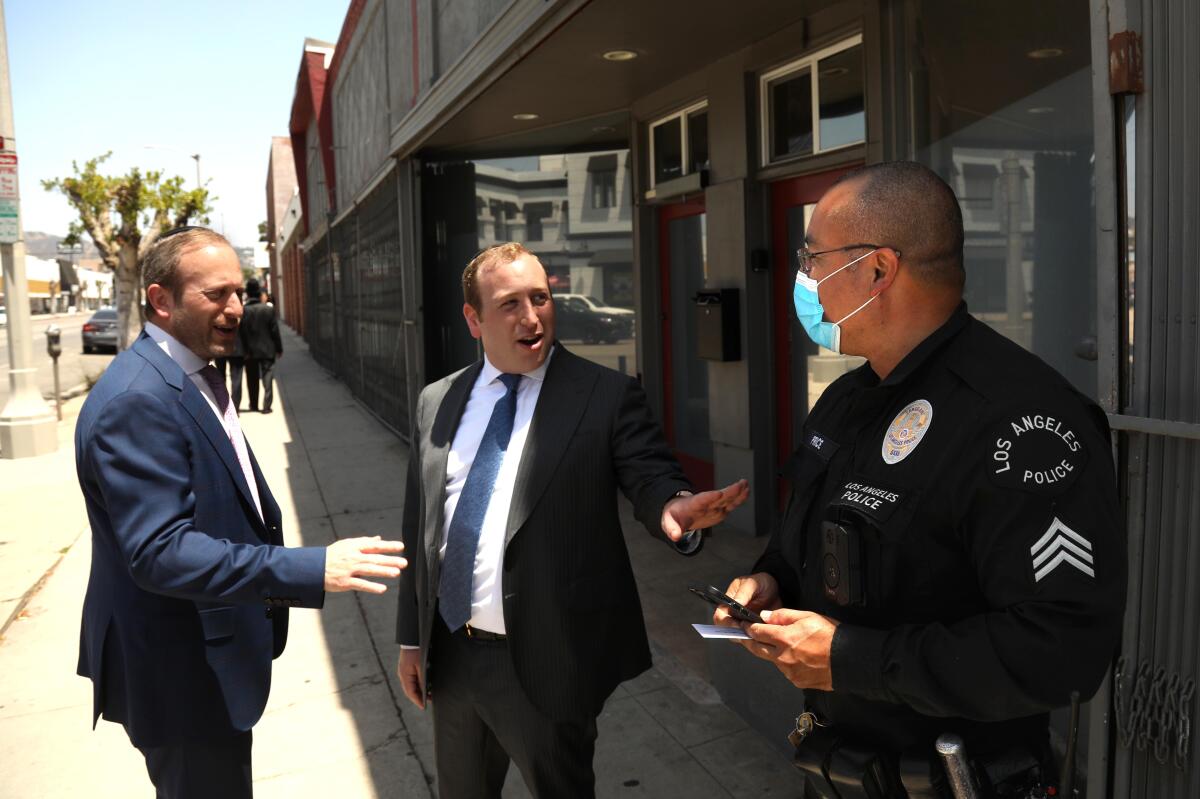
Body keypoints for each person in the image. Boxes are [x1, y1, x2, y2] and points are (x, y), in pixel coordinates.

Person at [715, 162, 1125, 797]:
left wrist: (850, 659)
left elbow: (1061, 649)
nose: (805, 280)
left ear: (877, 271)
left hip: (958, 779)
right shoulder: (848, 398)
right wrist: (772, 579)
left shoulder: (1020, 420)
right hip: (838, 766)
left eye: (813, 257)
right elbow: (824, 541)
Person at [394, 242, 750, 798]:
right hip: (453, 655)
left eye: (541, 297)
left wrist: (672, 505)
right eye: (510, 304)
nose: (532, 317)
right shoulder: (437, 400)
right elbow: (420, 526)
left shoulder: (604, 395)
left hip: (547, 663)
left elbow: (649, 472)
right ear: (473, 319)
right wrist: (411, 641)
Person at [75, 226, 408, 799]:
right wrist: (306, 568)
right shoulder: (138, 401)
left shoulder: (192, 372)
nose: (235, 309)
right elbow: (160, 552)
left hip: (208, 654)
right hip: (180, 670)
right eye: (216, 295)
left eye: (239, 291)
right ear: (161, 300)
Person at [239, 278, 282, 414]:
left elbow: (242, 332)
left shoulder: (244, 311)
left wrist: (244, 349)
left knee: (251, 378)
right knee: (268, 376)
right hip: (267, 349)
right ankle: (266, 405)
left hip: (250, 351)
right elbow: (275, 331)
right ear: (258, 293)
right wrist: (279, 348)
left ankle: (254, 404)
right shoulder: (268, 310)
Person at [215, 287, 246, 412]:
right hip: (237, 349)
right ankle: (235, 407)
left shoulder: (218, 310)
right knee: (236, 379)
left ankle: (225, 406)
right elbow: (246, 333)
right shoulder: (242, 311)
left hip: (221, 349)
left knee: (221, 378)